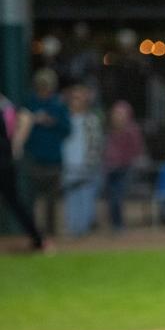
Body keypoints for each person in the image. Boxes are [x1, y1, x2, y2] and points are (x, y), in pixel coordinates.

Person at [23, 68, 71, 235]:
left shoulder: (58, 105)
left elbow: (67, 129)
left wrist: (53, 122)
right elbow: (20, 128)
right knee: (31, 200)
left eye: (47, 86)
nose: (44, 89)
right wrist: (34, 120)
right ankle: (33, 232)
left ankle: (51, 233)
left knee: (52, 201)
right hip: (34, 158)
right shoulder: (30, 103)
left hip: (54, 159)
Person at [0, 92, 47, 251]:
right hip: (6, 160)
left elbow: (26, 117)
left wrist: (17, 143)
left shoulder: (5, 106)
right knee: (14, 201)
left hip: (4, 161)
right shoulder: (6, 105)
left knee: (14, 201)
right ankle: (37, 238)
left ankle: (37, 238)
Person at [62, 84, 104, 237]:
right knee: (71, 198)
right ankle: (72, 230)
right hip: (68, 164)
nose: (76, 101)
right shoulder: (64, 118)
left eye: (80, 98)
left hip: (87, 164)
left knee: (86, 197)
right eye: (74, 98)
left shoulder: (92, 119)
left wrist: (92, 162)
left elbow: (97, 143)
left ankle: (83, 231)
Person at [102, 100, 145, 232]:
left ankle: (119, 225)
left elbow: (137, 150)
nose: (118, 116)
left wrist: (126, 161)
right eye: (116, 113)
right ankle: (115, 224)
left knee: (117, 197)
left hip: (125, 169)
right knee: (111, 198)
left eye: (121, 113)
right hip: (110, 169)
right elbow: (104, 150)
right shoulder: (109, 129)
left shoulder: (132, 130)